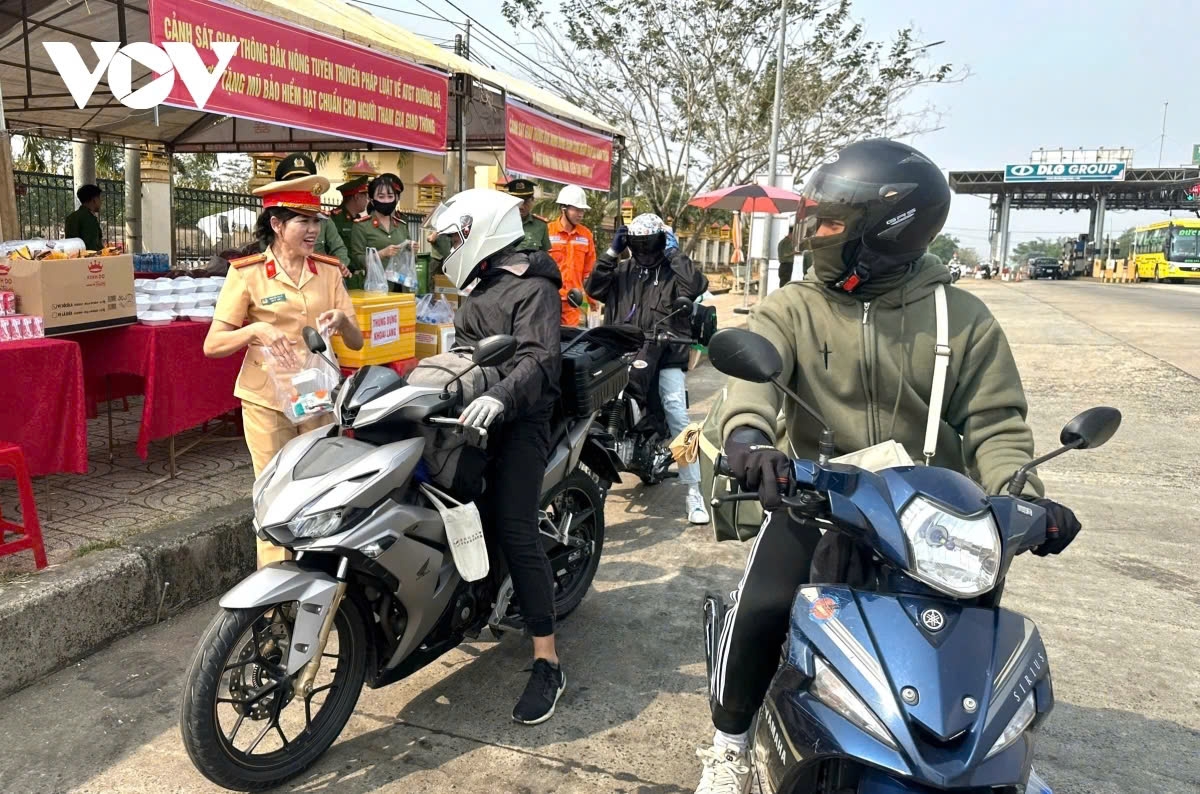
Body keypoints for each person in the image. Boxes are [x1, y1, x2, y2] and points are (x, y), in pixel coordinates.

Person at [692, 139, 1083, 794]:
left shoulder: (961, 318)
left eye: (833, 221)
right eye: (815, 217)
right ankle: (730, 743)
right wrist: (751, 440)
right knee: (761, 604)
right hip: (818, 499)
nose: (815, 231)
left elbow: (996, 423)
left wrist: (1024, 498)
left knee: (974, 641)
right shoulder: (792, 306)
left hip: (935, 519)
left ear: (890, 229)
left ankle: (994, 752)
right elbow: (753, 383)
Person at [426, 188, 566, 725]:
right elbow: (464, 355)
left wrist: (500, 396)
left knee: (515, 528)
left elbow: (539, 358)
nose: (446, 251)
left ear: (478, 233)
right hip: (474, 416)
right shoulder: (479, 289)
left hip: (523, 421)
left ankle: (547, 660)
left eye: (452, 240)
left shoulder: (535, 289)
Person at [202, 153, 364, 569]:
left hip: (316, 396)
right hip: (266, 399)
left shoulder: (328, 272)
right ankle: (274, 586)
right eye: (302, 221)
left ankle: (318, 574)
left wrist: (343, 319)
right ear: (277, 224)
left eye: (316, 222)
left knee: (319, 486)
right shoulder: (248, 273)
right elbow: (213, 344)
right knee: (273, 489)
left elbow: (357, 342)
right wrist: (254, 331)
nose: (313, 231)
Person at [586, 213, 710, 524]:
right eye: (635, 243)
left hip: (666, 352)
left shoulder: (673, 271)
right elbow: (593, 289)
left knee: (677, 413)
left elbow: (694, 286)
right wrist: (611, 253)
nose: (643, 249)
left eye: (648, 243)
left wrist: (673, 253)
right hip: (619, 350)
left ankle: (693, 491)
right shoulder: (623, 270)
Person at [348, 173, 415, 288]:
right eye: (381, 196)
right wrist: (381, 254)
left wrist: (412, 250)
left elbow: (410, 259)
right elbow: (356, 261)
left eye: (390, 196)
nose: (386, 201)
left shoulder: (401, 225)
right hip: (376, 287)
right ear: (371, 199)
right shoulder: (362, 226)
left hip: (401, 286)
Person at [547, 185, 597, 326]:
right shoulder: (547, 231)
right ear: (564, 209)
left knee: (569, 341)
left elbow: (589, 272)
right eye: (576, 209)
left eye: (583, 210)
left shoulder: (586, 235)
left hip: (572, 300)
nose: (581, 214)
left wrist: (592, 299)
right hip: (549, 298)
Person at [504, 178, 552, 254]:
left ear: (532, 200)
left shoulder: (541, 225)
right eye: (517, 202)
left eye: (525, 201)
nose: (521, 207)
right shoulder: (501, 224)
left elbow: (544, 257)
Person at [329, 175, 370, 247]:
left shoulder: (359, 219)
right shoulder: (334, 219)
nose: (367, 201)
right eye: (365, 197)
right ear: (357, 197)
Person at [65, 184, 103, 251]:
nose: (101, 202)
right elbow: (92, 246)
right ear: (94, 200)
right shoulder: (89, 219)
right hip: (89, 259)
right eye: (99, 198)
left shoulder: (71, 217)